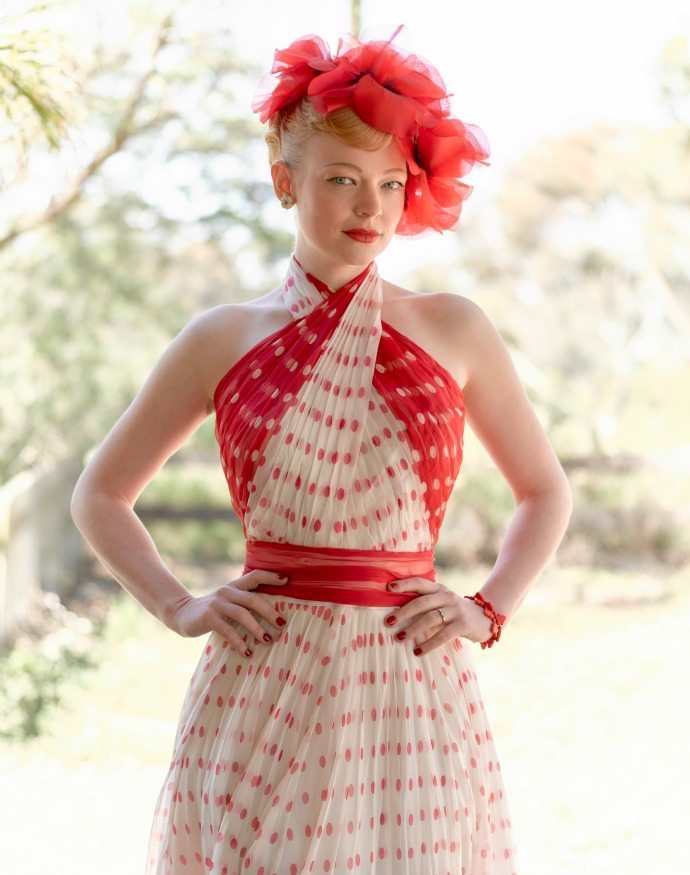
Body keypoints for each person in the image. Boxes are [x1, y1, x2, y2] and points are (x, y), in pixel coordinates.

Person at [71, 25, 572, 875]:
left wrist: (488, 607)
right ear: (283, 182)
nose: (370, 208)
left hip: (407, 680)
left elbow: (545, 492)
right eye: (341, 180)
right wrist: (178, 605)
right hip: (264, 677)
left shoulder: (454, 327)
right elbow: (99, 494)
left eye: (389, 182)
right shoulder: (220, 336)